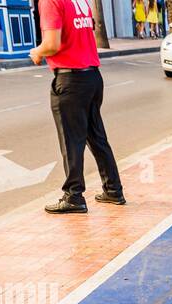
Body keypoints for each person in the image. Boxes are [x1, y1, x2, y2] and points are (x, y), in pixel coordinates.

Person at [31, 0, 125, 214]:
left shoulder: (50, 1)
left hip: (70, 79)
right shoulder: (79, 1)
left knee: (71, 140)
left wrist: (37, 52)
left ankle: (73, 196)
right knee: (96, 136)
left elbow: (52, 44)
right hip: (92, 76)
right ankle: (113, 189)